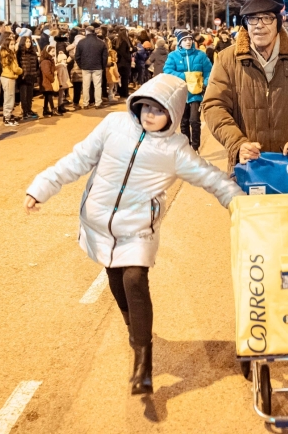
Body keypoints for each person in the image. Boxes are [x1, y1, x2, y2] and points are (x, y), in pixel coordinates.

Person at [24, 74, 244, 395]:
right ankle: (133, 329)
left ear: (173, 113)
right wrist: (41, 187)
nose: (149, 115)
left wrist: (239, 204)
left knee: (134, 279)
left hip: (139, 226)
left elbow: (211, 178)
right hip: (99, 221)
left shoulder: (177, 149)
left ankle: (143, 360)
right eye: (145, 107)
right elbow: (79, 158)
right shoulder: (114, 125)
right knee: (115, 280)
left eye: (158, 109)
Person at [203, 0, 288, 170]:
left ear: (278, 22)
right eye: (252, 19)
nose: (259, 25)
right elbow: (214, 105)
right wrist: (237, 143)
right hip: (247, 165)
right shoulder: (226, 59)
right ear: (246, 24)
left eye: (267, 18)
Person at [164, 30, 212, 152]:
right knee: (184, 122)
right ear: (180, 42)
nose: (188, 42)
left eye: (190, 39)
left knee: (194, 120)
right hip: (181, 93)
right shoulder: (173, 56)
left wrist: (205, 84)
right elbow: (167, 71)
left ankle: (195, 147)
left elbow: (209, 71)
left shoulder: (200, 55)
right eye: (185, 40)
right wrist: (186, 76)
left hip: (196, 93)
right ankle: (186, 147)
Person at [75, 26, 107, 109]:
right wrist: (103, 66)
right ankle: (98, 103)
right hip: (97, 66)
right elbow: (105, 57)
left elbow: (77, 56)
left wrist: (81, 65)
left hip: (85, 66)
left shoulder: (81, 42)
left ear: (86, 32)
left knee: (86, 86)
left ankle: (85, 103)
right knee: (97, 85)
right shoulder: (101, 43)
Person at [0, 37, 22, 126]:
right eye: (11, 44)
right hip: (8, 77)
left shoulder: (6, 53)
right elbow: (15, 68)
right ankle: (7, 118)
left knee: (9, 97)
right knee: (9, 98)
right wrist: (21, 71)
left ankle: (8, 116)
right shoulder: (8, 55)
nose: (13, 46)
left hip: (7, 77)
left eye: (13, 44)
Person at [16, 34, 39, 120]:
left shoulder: (33, 53)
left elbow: (37, 65)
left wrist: (36, 73)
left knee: (30, 95)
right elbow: (18, 65)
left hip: (31, 77)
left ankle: (29, 110)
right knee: (23, 96)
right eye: (27, 42)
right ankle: (25, 112)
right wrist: (21, 75)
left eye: (29, 42)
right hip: (23, 78)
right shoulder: (19, 53)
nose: (28, 43)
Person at [114, 27, 134, 99]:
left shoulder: (118, 41)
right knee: (125, 78)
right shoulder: (125, 42)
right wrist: (129, 58)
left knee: (120, 78)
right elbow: (124, 52)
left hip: (119, 62)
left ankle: (120, 91)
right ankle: (124, 93)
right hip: (125, 63)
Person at [39, 45, 58, 117]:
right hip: (46, 81)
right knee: (49, 94)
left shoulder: (49, 60)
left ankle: (45, 110)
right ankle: (53, 109)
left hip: (47, 81)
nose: (53, 53)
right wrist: (52, 79)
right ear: (48, 52)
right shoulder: (45, 61)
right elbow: (47, 72)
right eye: (52, 51)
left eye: (54, 51)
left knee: (47, 96)